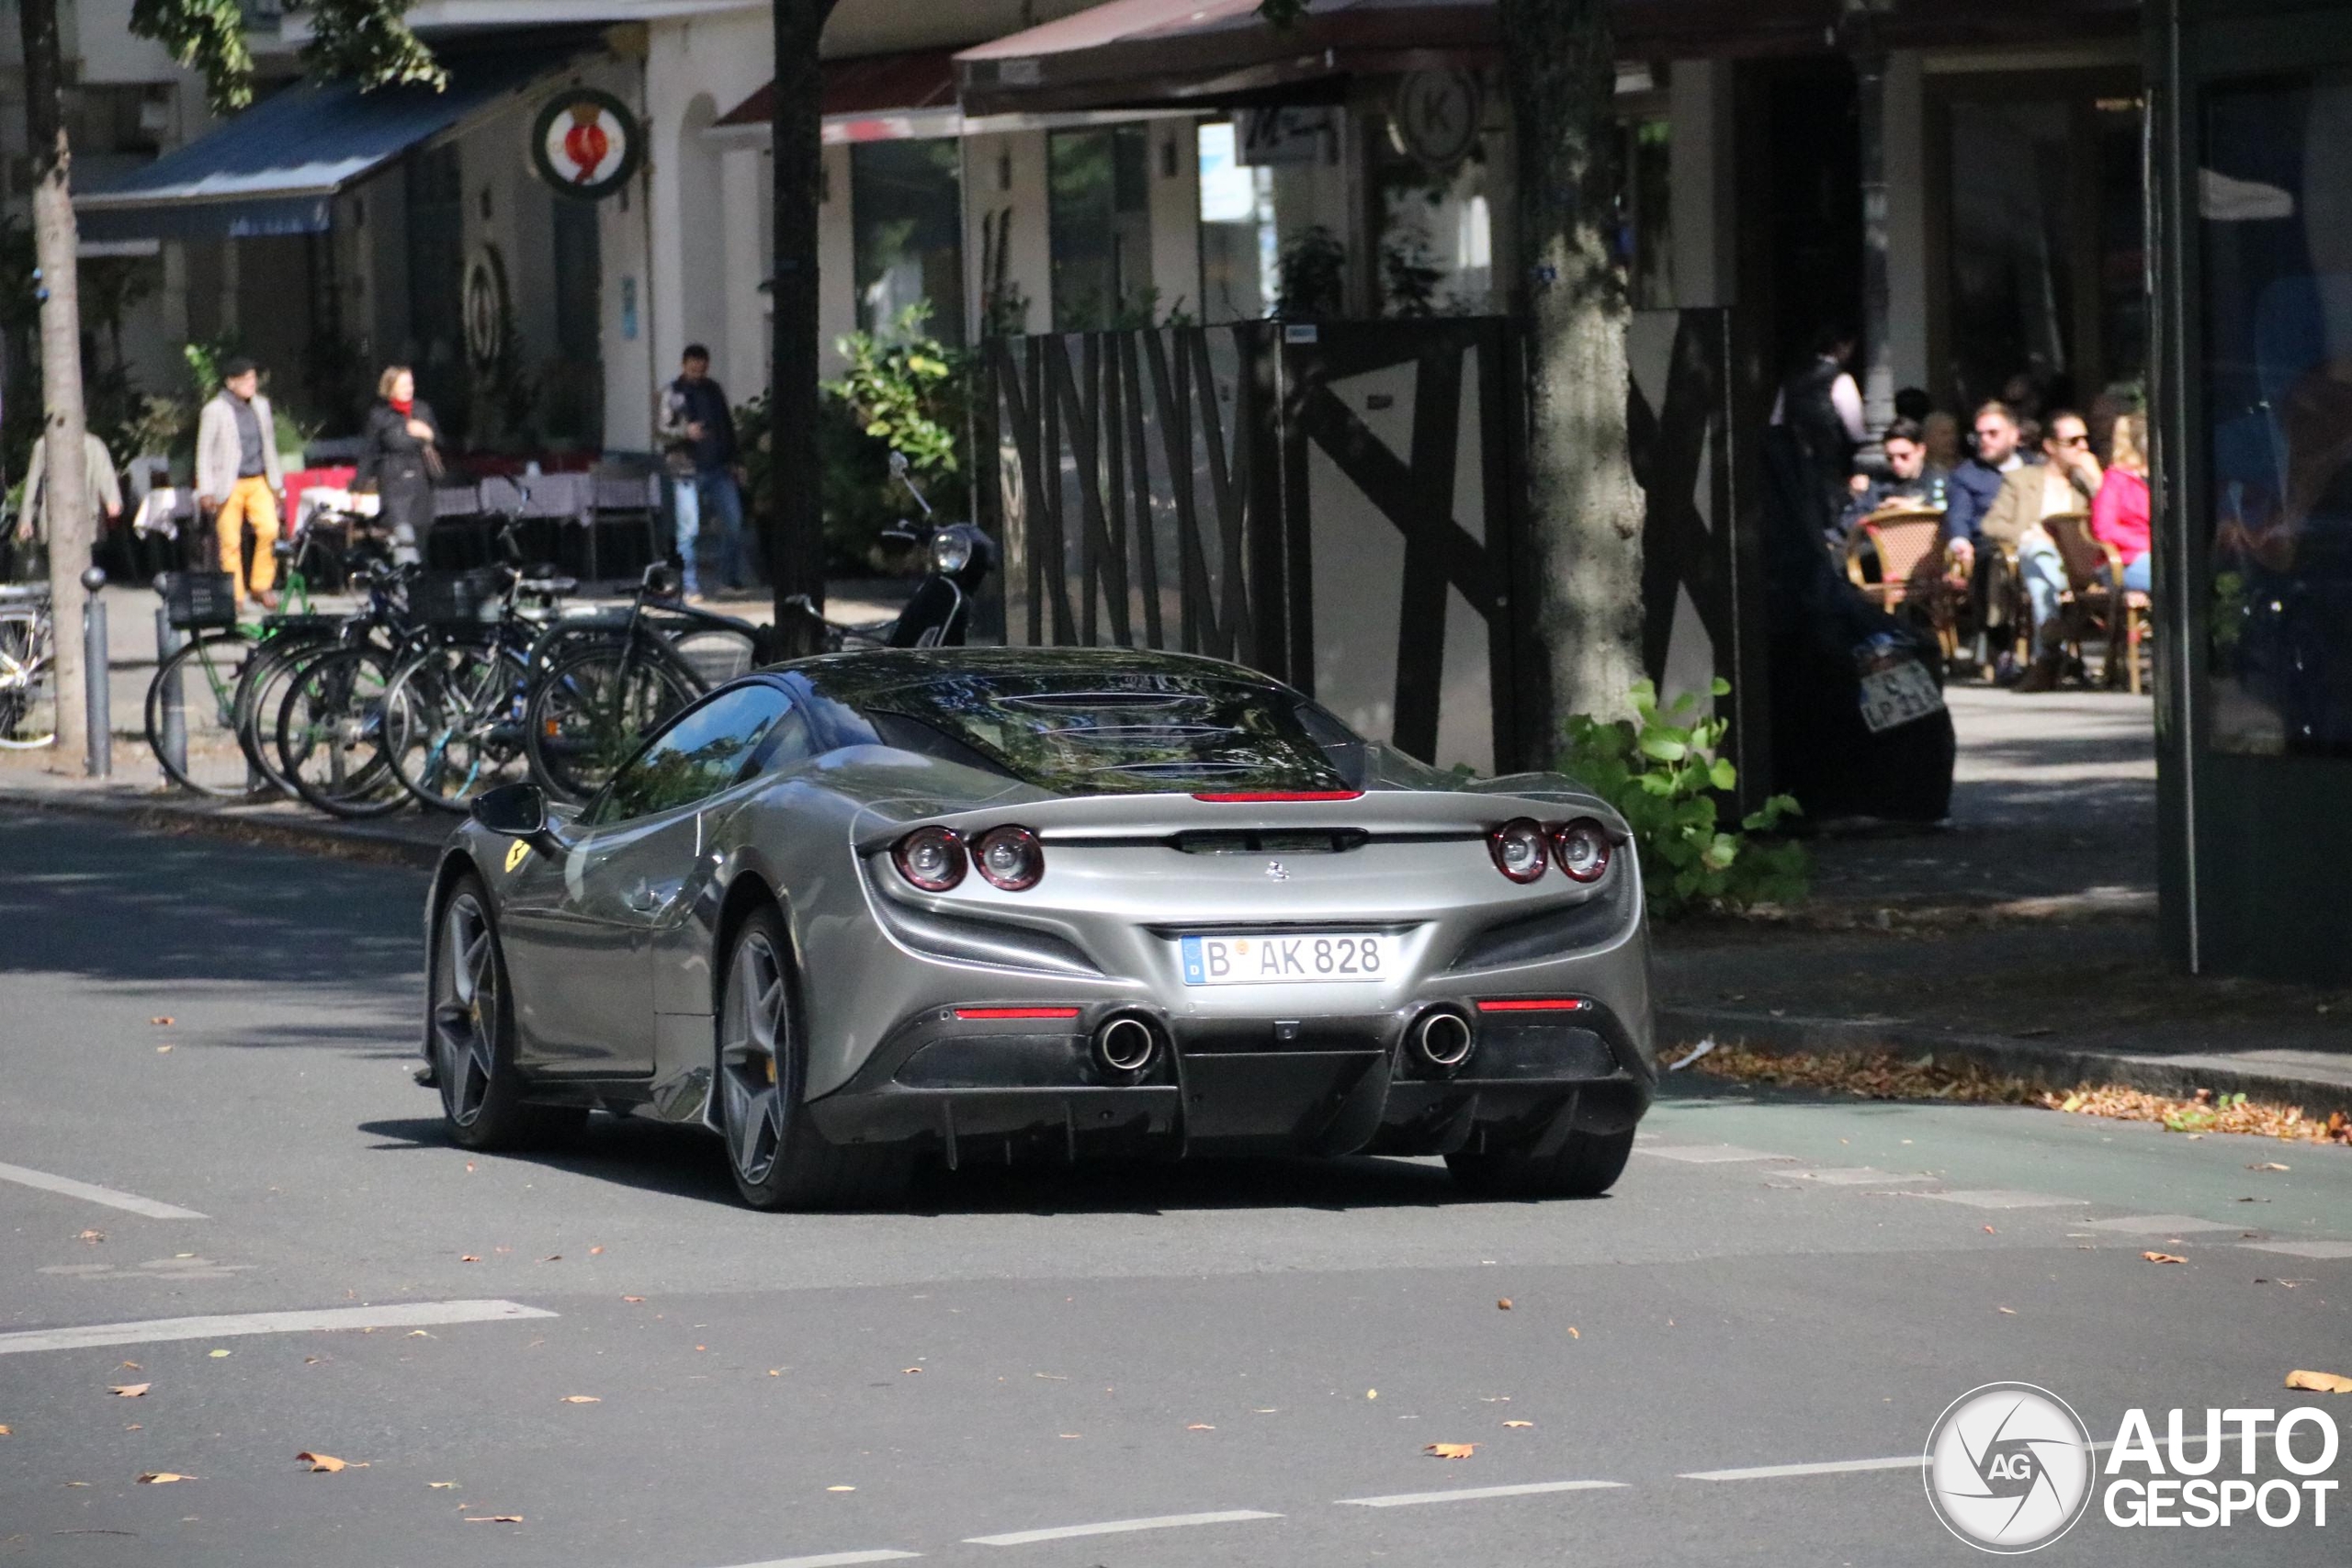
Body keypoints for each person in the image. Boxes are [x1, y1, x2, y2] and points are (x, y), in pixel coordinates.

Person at [1979, 408, 2104, 691]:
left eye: (2085, 439)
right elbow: (1991, 524)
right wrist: (2026, 534)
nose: (2083, 447)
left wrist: (2097, 482)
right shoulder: (2022, 480)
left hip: (2077, 563)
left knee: (2043, 565)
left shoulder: (2085, 485)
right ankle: (2048, 646)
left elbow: (2109, 521)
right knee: (2038, 552)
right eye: (2073, 441)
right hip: (2028, 559)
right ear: (2050, 446)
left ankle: (2047, 651)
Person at [195, 356, 286, 608]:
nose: (251, 384)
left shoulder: (261, 406)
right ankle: (234, 595)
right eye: (245, 380)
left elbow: (269, 445)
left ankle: (261, 584)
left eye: (253, 379)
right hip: (229, 482)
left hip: (258, 479)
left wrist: (276, 484)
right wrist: (206, 490)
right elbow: (203, 451)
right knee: (230, 540)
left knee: (270, 529)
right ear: (231, 383)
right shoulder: (215, 410)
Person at [658, 344, 748, 598]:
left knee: (734, 523)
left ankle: (728, 580)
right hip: (686, 469)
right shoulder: (672, 392)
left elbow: (727, 426)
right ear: (683, 365)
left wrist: (736, 460)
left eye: (702, 367)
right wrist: (684, 433)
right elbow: (661, 431)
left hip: (718, 467)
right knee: (689, 529)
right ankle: (689, 585)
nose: (698, 371)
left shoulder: (713, 389)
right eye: (693, 366)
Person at [1771, 326, 1868, 531]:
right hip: (1829, 463)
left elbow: (1777, 421)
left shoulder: (1791, 378)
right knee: (1829, 517)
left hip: (1794, 462)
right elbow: (1856, 429)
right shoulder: (1840, 379)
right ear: (1842, 346)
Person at [355, 367, 442, 567]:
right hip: (394, 486)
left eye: (410, 383)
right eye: (403, 385)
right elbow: (368, 453)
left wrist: (428, 434)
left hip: (421, 485)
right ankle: (404, 590)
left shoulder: (422, 410)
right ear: (390, 388)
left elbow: (442, 444)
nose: (408, 389)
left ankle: (419, 592)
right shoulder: (380, 416)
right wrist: (358, 488)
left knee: (420, 546)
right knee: (405, 546)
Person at [15, 427, 123, 577]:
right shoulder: (43, 445)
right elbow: (33, 482)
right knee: (60, 567)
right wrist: (25, 519)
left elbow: (105, 474)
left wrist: (112, 500)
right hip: (55, 518)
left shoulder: (93, 444)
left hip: (85, 516)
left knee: (81, 565)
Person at [1838, 417, 1935, 538]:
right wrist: (1880, 515)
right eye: (1890, 458)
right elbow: (1847, 523)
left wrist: (1913, 510)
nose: (1896, 463)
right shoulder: (1878, 485)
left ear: (1921, 450)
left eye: (1904, 456)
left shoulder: (1940, 479)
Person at [2092, 411, 2152, 594]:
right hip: (2125, 562)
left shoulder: (2165, 478)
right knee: (2174, 579)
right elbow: (2103, 529)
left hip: (2161, 557)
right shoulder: (2116, 479)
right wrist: (2148, 543)